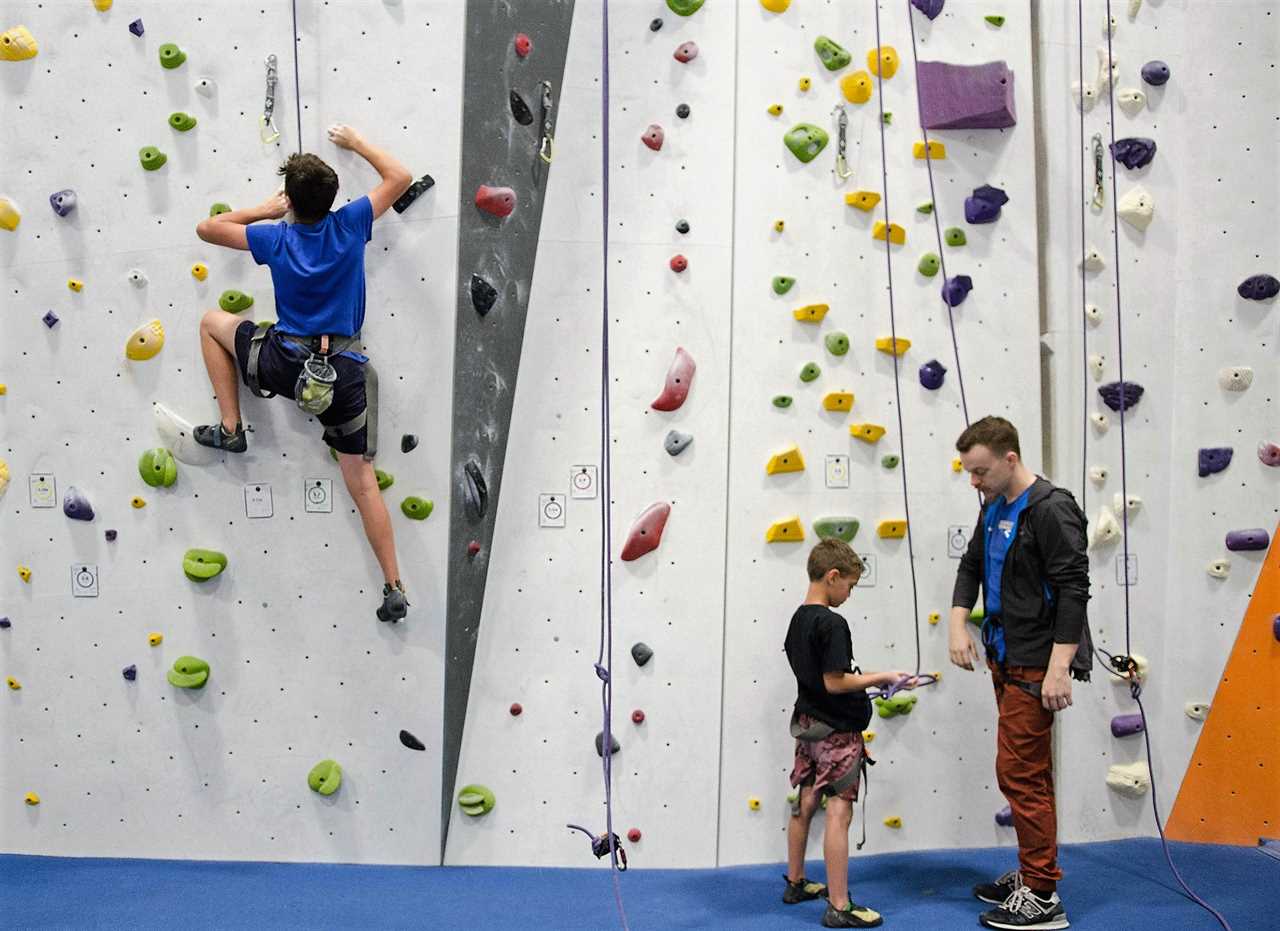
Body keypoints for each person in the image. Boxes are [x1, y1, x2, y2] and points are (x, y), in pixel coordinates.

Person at [192, 125, 414, 623]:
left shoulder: (276, 237)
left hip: (286, 363)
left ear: (289, 201)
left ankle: (231, 429)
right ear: (334, 198)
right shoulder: (351, 224)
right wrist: (357, 141)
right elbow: (399, 176)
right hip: (344, 372)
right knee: (361, 481)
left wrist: (263, 211)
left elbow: (208, 229)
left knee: (212, 324)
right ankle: (393, 585)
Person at [949, 416, 1092, 931]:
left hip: (1037, 661)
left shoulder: (1052, 510)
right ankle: (1035, 871)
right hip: (1003, 656)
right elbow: (971, 567)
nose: (974, 482)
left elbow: (1075, 590)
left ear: (1011, 459)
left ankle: (1042, 895)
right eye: (969, 472)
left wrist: (1059, 670)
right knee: (1030, 771)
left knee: (1018, 773)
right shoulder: (993, 506)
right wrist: (958, 625)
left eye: (981, 471)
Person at [784, 538, 914, 929]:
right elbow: (835, 681)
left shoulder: (799, 618)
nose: (849, 594)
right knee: (839, 811)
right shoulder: (832, 622)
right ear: (833, 576)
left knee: (805, 800)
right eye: (850, 586)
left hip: (807, 724)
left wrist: (863, 682)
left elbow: (819, 678)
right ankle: (839, 905)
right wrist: (885, 676)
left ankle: (795, 882)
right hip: (836, 731)